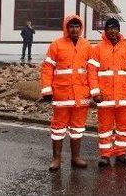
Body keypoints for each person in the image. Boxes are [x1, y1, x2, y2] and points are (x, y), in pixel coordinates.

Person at [39, 15, 91, 171]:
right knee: (58, 129)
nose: (74, 29)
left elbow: (91, 71)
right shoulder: (56, 45)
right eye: (71, 26)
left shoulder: (87, 45)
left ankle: (75, 157)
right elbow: (47, 68)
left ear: (80, 28)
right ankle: (56, 158)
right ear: (66, 28)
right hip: (61, 95)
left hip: (80, 96)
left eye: (77, 26)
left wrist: (92, 91)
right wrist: (47, 90)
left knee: (77, 128)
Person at [88, 18, 126, 167]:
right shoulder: (97, 48)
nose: (112, 31)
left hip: (124, 96)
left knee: (123, 128)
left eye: (114, 28)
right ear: (105, 30)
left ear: (118, 29)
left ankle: (121, 154)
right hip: (105, 97)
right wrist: (95, 92)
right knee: (105, 128)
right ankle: (105, 155)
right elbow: (92, 72)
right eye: (109, 28)